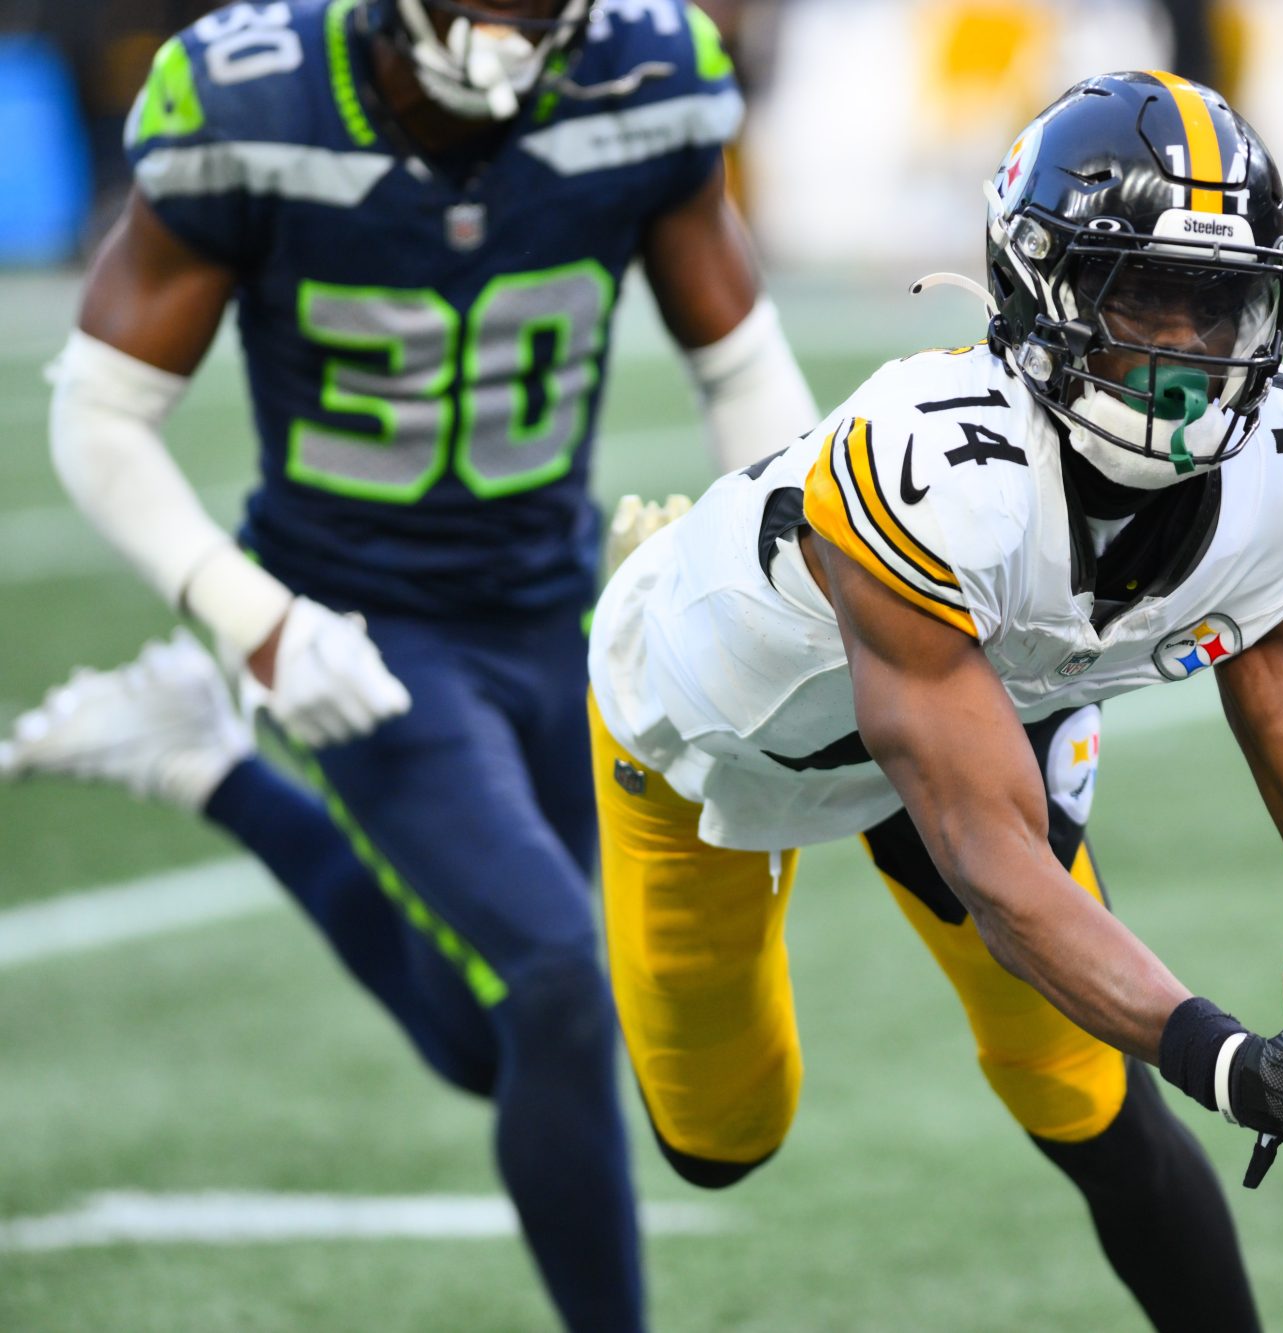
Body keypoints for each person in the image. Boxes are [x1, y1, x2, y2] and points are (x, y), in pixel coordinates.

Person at [585, 72, 1283, 1329]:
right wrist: (1234, 1067)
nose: (1187, 345)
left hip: (988, 710)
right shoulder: (935, 464)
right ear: (1039, 285)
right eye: (1146, 295)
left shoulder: (1282, 479)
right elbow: (998, 866)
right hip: (722, 741)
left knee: (1087, 1098)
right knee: (721, 1136)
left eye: (1220, 301)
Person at [0, 1, 816, 1328]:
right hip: (353, 627)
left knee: (485, 1037)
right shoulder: (255, 98)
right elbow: (101, 409)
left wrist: (791, 565)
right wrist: (250, 615)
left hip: (553, 605)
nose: (512, 24)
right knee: (556, 984)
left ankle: (205, 763)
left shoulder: (643, 74)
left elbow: (742, 363)